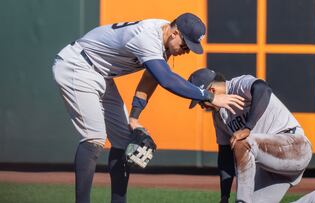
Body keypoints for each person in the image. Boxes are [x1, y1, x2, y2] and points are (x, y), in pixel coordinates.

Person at [52, 13, 244, 203]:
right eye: (186, 45)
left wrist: (134, 117)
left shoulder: (163, 39)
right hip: (78, 66)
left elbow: (149, 78)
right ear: (175, 33)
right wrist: (210, 96)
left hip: (101, 74)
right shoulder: (146, 37)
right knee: (94, 137)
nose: (186, 51)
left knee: (124, 141)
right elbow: (167, 80)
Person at [187, 68, 315, 203]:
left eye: (201, 101)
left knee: (242, 142)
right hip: (270, 167)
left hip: (294, 146)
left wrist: (248, 127)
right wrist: (224, 196)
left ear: (211, 90)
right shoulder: (218, 116)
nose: (202, 106)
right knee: (242, 143)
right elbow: (225, 157)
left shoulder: (237, 86)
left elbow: (263, 88)